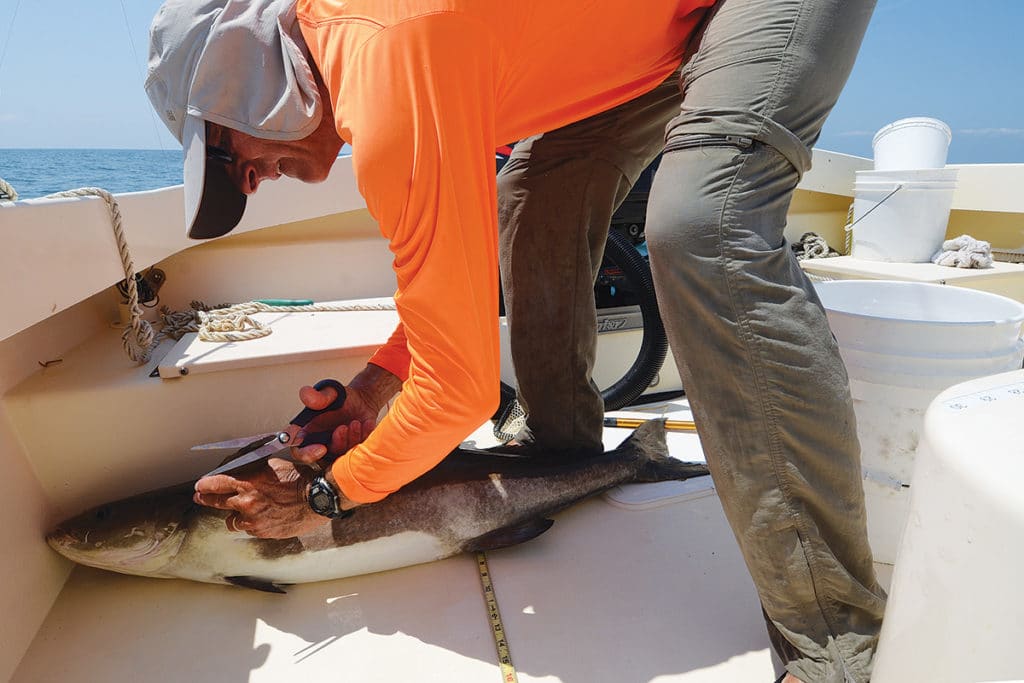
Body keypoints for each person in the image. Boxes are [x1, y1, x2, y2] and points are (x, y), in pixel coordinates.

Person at [146, 0, 886, 680]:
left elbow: (459, 388)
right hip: (654, 30)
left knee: (702, 226)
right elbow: (451, 303)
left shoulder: (391, 70)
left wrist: (327, 494)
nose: (244, 183)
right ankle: (564, 451)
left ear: (251, 81)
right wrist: (373, 391)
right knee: (530, 196)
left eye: (221, 151)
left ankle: (833, 637)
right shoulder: (381, 69)